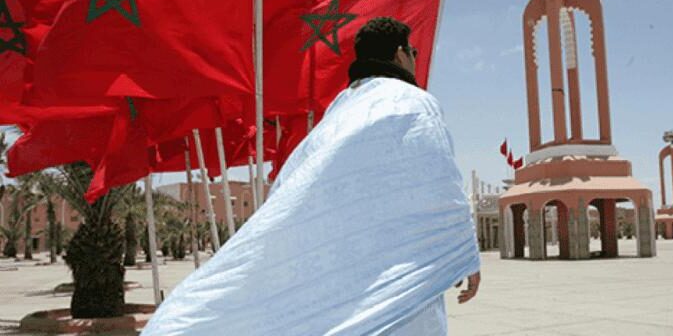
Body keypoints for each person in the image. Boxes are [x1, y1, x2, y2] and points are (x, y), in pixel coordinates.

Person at [142, 17, 481, 335]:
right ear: (399, 54)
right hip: (401, 279)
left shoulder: (339, 112)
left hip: (345, 272)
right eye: (414, 52)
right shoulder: (411, 102)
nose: (415, 59)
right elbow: (438, 180)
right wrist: (462, 251)